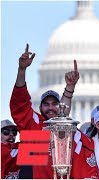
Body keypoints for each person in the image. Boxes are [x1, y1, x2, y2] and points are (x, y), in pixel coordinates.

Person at [10, 44, 79, 178]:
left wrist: (70, 86)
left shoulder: (64, 130)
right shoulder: (32, 125)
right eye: (46, 104)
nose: (51, 107)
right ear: (40, 108)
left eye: (55, 104)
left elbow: (63, 116)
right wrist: (22, 69)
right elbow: (19, 101)